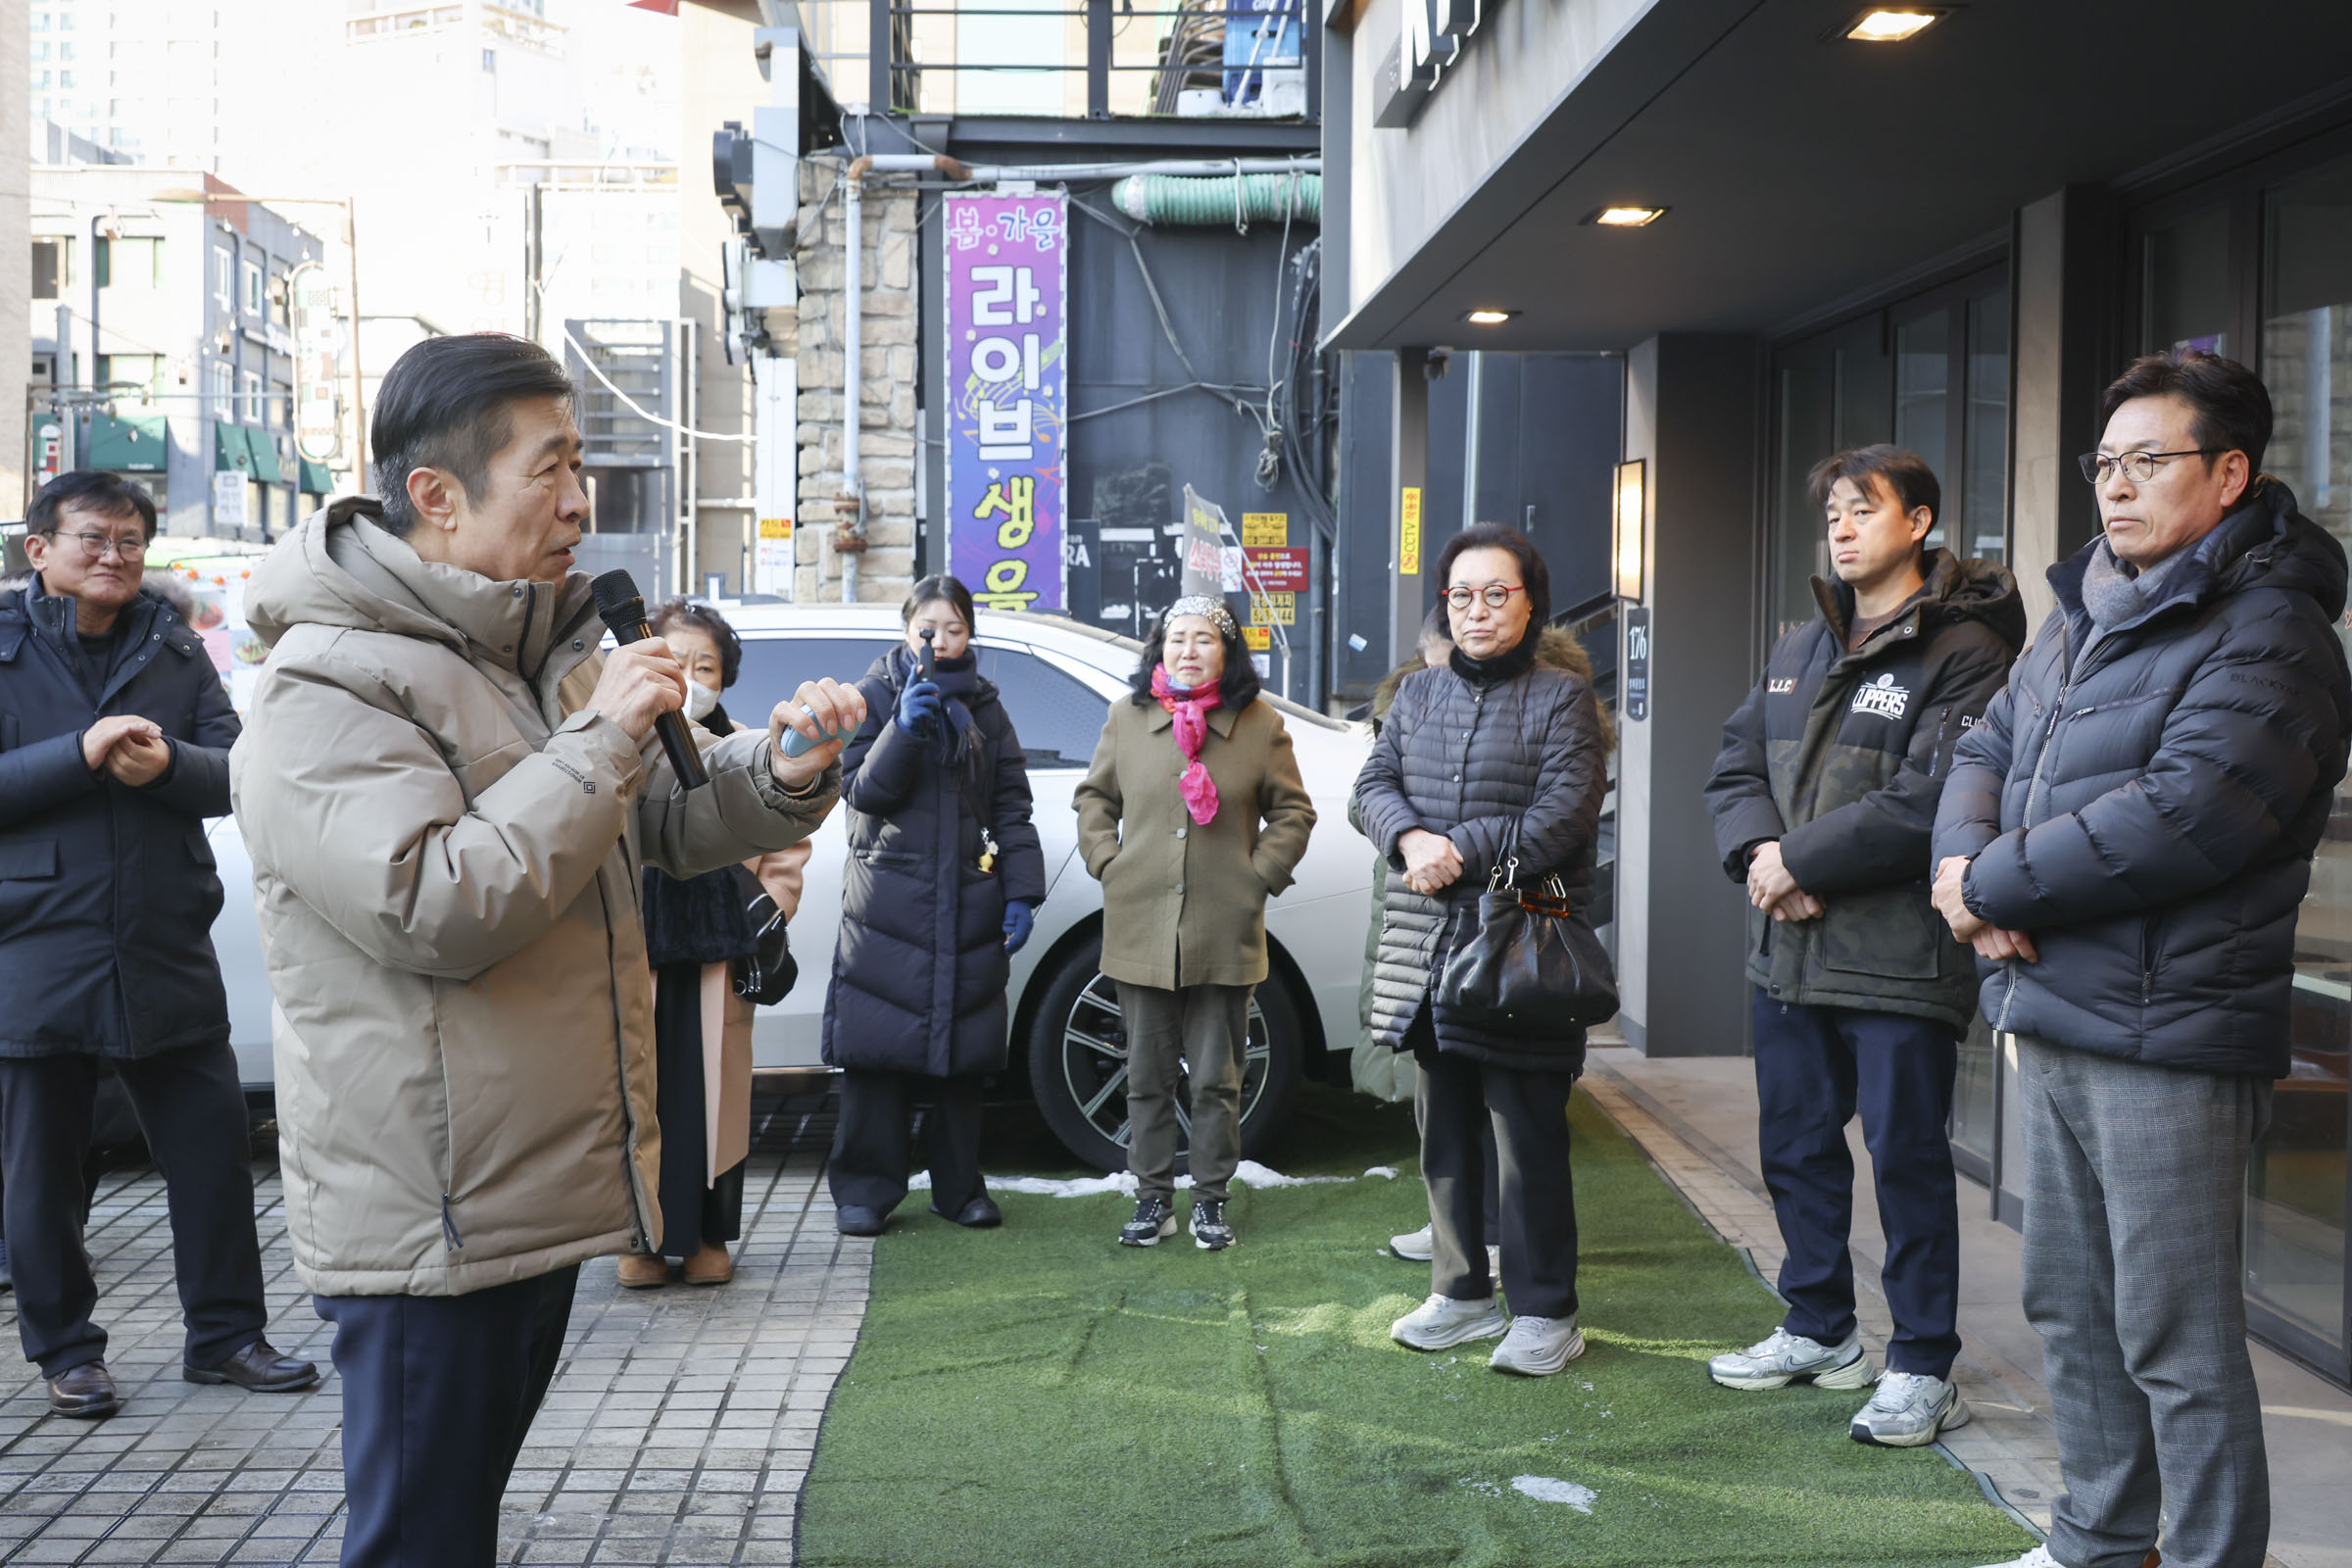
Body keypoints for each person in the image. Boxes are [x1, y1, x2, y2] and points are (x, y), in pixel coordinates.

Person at [228, 333, 862, 1568]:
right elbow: (435, 900)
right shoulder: (327, 685)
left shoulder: (533, 645)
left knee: (456, 1525)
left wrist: (780, 770)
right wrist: (598, 741)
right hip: (434, 1211)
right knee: (421, 1538)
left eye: (582, 465)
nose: (582, 500)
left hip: (529, 1189)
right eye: (552, 467)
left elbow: (653, 825)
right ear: (437, 495)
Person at [1931, 350, 2351, 1568]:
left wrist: (1994, 882)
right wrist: (1964, 874)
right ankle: (2099, 1539)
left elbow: (2192, 812)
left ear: (2230, 474)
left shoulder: (2277, 629)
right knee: (2071, 1305)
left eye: (2146, 462)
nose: (2115, 488)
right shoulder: (2087, 609)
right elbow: (1982, 745)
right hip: (2054, 1008)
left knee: (2177, 1332)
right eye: (2104, 464)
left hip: (2171, 1032)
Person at [1700, 446, 2025, 1446]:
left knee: (1908, 1162)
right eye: (1832, 514)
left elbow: (1933, 797)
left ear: (1919, 520)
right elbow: (1734, 760)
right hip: (1789, 950)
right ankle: (1819, 1325)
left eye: (1862, 510)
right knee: (1795, 1148)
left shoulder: (1966, 649)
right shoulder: (1800, 642)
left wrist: (1798, 860)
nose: (1840, 529)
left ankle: (1923, 1360)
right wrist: (1759, 853)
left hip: (1897, 961)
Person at [0, 470, 317, 1422]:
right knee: (41, 1170)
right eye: (93, 538)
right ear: (40, 551)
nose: (114, 556)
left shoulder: (174, 648)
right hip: (35, 945)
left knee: (212, 1152)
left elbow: (241, 774)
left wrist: (170, 763)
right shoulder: (5, 654)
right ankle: (66, 1351)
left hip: (162, 938)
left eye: (131, 541)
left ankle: (225, 1337)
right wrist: (82, 750)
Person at [1353, 521, 1609, 1377]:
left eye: (1496, 593)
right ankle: (1461, 1294)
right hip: (1425, 945)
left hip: (1517, 946)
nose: (1476, 610)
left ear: (1530, 602)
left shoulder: (1563, 696)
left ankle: (1546, 1311)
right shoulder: (1418, 695)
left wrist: (1452, 847)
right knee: (1446, 1130)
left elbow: (1564, 817)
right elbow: (1371, 787)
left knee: (1526, 1134)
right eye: (1460, 595)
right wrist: (1407, 840)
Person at [1077, 595, 1316, 1250]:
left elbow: (1294, 813)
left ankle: (1210, 1198)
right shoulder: (1128, 718)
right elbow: (1095, 799)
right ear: (1158, 648)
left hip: (1223, 927)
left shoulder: (1259, 724)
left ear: (1227, 651)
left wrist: (1256, 877)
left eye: (1203, 639)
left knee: (1216, 1076)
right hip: (1139, 922)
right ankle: (1152, 1198)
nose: (1187, 650)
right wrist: (1109, 862)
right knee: (1146, 1074)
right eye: (1174, 637)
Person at [823, 575, 1046, 1237]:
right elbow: (860, 792)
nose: (941, 641)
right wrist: (902, 729)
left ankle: (958, 1189)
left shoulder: (987, 708)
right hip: (887, 902)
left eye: (954, 629)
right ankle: (865, 1190)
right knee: (877, 1053)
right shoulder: (870, 697)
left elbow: (1011, 805)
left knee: (962, 1052)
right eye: (928, 628)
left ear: (969, 634)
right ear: (905, 629)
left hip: (966, 896)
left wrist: (1021, 892)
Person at [619, 598, 814, 1289]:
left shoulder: (748, 746)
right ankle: (639, 1241)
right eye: (679, 660)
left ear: (725, 676)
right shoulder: (620, 739)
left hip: (718, 960)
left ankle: (706, 1237)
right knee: (637, 1096)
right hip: (634, 958)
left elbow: (790, 843)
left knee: (712, 1103)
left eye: (707, 664)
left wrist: (768, 913)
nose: (693, 674)